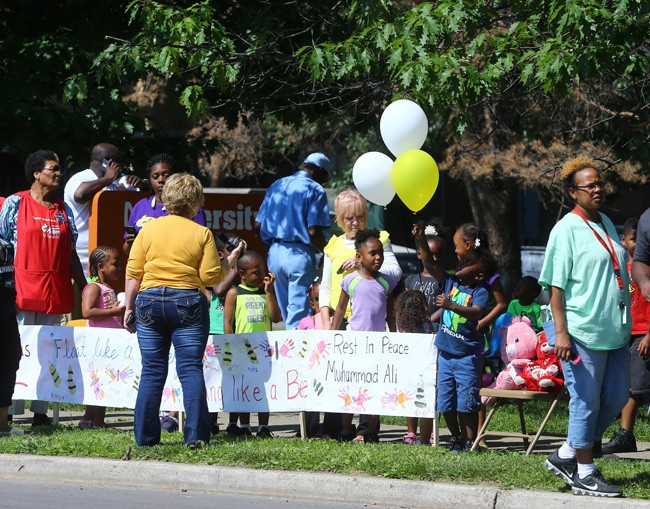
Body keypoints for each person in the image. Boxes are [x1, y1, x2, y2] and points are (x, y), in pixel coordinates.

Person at [540, 157, 631, 498]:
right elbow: (555, 287)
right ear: (572, 193)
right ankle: (584, 473)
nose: (597, 189)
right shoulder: (566, 229)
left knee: (618, 396)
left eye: (599, 183)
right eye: (589, 185)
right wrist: (561, 333)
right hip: (580, 331)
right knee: (586, 401)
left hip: (614, 330)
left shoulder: (606, 221)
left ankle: (565, 454)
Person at [125, 173, 235, 448]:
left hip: (148, 300)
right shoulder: (202, 233)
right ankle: (195, 436)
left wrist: (128, 307)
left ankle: (146, 439)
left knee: (151, 371)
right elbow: (210, 278)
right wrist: (226, 264)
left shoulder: (148, 230)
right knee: (189, 370)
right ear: (196, 201)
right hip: (187, 301)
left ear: (167, 199)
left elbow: (133, 272)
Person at [0, 150, 87, 426]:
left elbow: (72, 252)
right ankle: (10, 411)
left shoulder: (64, 210)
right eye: (53, 168)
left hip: (54, 293)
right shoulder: (15, 203)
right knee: (16, 353)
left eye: (59, 168)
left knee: (49, 355)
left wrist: (84, 286)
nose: (59, 173)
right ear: (36, 174)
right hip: (21, 293)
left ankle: (40, 412)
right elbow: (3, 248)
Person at [414, 223, 490, 453]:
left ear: (478, 272)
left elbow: (477, 312)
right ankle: (456, 437)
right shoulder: (451, 282)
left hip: (467, 356)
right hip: (446, 354)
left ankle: (469, 441)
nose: (458, 269)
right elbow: (429, 262)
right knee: (445, 400)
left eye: (465, 265)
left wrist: (451, 305)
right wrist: (419, 239)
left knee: (466, 402)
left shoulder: (480, 291)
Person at [332, 229, 399, 443]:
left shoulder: (386, 283)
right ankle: (345, 430)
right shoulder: (350, 280)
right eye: (373, 253)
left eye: (380, 253)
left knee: (374, 388)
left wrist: (395, 337)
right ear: (359, 257)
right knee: (350, 388)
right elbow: (340, 310)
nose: (378, 257)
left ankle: (370, 431)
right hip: (354, 344)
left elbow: (389, 314)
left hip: (377, 346)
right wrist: (332, 334)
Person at [254, 153, 331, 329]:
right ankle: (299, 355)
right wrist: (329, 250)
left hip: (274, 253)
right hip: (298, 254)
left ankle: (288, 353)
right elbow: (313, 231)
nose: (324, 182)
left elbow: (257, 226)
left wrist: (274, 246)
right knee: (300, 316)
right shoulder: (315, 189)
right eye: (325, 177)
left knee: (284, 314)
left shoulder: (277, 185)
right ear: (318, 171)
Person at [319, 189, 402, 330]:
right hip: (339, 321)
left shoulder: (379, 240)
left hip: (371, 320)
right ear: (340, 219)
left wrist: (362, 265)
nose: (355, 223)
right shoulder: (333, 245)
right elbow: (326, 286)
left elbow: (396, 273)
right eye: (349, 218)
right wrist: (326, 321)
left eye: (360, 217)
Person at [601, 217, 650, 454]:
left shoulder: (646, 272)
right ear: (623, 240)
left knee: (635, 389)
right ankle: (624, 434)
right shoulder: (620, 269)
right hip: (624, 335)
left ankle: (625, 434)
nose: (639, 244)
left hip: (643, 336)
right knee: (628, 387)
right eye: (634, 239)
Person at [223, 251, 281, 438]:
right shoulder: (234, 293)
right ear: (242, 274)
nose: (262, 275)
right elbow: (227, 323)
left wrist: (270, 292)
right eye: (256, 272)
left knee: (263, 388)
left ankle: (263, 427)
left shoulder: (266, 293)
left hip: (263, 350)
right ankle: (245, 425)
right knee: (244, 387)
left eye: (264, 270)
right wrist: (230, 347)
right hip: (242, 350)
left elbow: (275, 317)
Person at [64, 143, 141, 277]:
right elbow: (80, 195)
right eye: (118, 161)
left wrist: (140, 183)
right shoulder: (81, 178)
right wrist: (107, 179)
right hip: (81, 262)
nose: (121, 166)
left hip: (106, 263)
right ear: (107, 163)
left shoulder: (116, 182)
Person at [123, 153, 206, 257]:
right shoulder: (140, 206)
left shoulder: (190, 207)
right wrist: (130, 242)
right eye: (155, 176)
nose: (161, 180)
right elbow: (127, 251)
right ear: (149, 179)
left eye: (166, 175)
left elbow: (200, 247)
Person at [78, 246, 125, 429]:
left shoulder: (107, 288)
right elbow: (86, 311)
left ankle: (96, 420)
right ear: (101, 266)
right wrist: (114, 310)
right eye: (115, 264)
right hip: (98, 344)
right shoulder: (93, 287)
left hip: (109, 344)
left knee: (105, 381)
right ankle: (90, 419)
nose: (119, 268)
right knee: (98, 381)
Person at [395, 289, 436, 446]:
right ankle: (411, 431)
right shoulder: (404, 325)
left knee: (424, 399)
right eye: (422, 306)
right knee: (412, 398)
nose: (426, 309)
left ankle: (427, 432)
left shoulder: (426, 322)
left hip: (424, 366)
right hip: (410, 366)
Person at [0, 233, 24, 436]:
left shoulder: (5, 243)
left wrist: (12, 299)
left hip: (7, 306)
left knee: (11, 357)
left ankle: (2, 424)